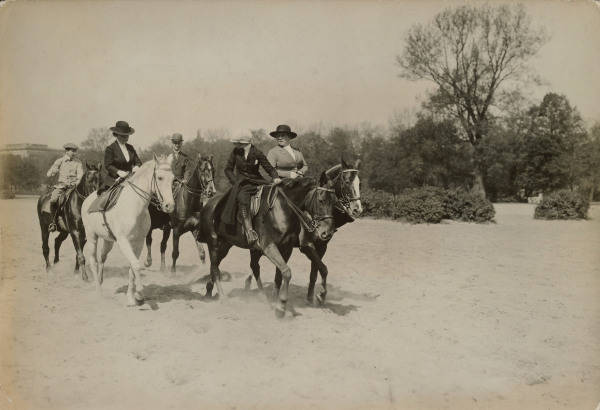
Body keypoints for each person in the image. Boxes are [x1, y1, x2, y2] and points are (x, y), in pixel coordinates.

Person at [222, 135, 281, 245]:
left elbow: (268, 167)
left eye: (240, 143)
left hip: (257, 181)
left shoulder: (257, 152)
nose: (237, 145)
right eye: (237, 143)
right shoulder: (235, 152)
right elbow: (228, 169)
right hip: (241, 183)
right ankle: (249, 231)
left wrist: (276, 177)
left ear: (247, 143)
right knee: (242, 198)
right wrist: (235, 182)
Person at [46, 143, 84, 231]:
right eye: (72, 151)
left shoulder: (78, 162)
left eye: (75, 151)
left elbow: (80, 174)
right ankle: (53, 222)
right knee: (54, 199)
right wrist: (54, 171)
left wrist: (77, 182)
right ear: (66, 151)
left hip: (74, 187)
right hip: (62, 186)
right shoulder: (60, 161)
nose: (74, 153)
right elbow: (48, 174)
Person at [103, 120, 142, 187]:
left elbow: (138, 162)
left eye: (127, 136)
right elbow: (108, 165)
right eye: (123, 136)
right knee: (105, 196)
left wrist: (137, 167)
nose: (126, 138)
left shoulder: (130, 148)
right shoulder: (110, 148)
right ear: (117, 135)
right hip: (114, 180)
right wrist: (118, 172)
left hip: (130, 179)